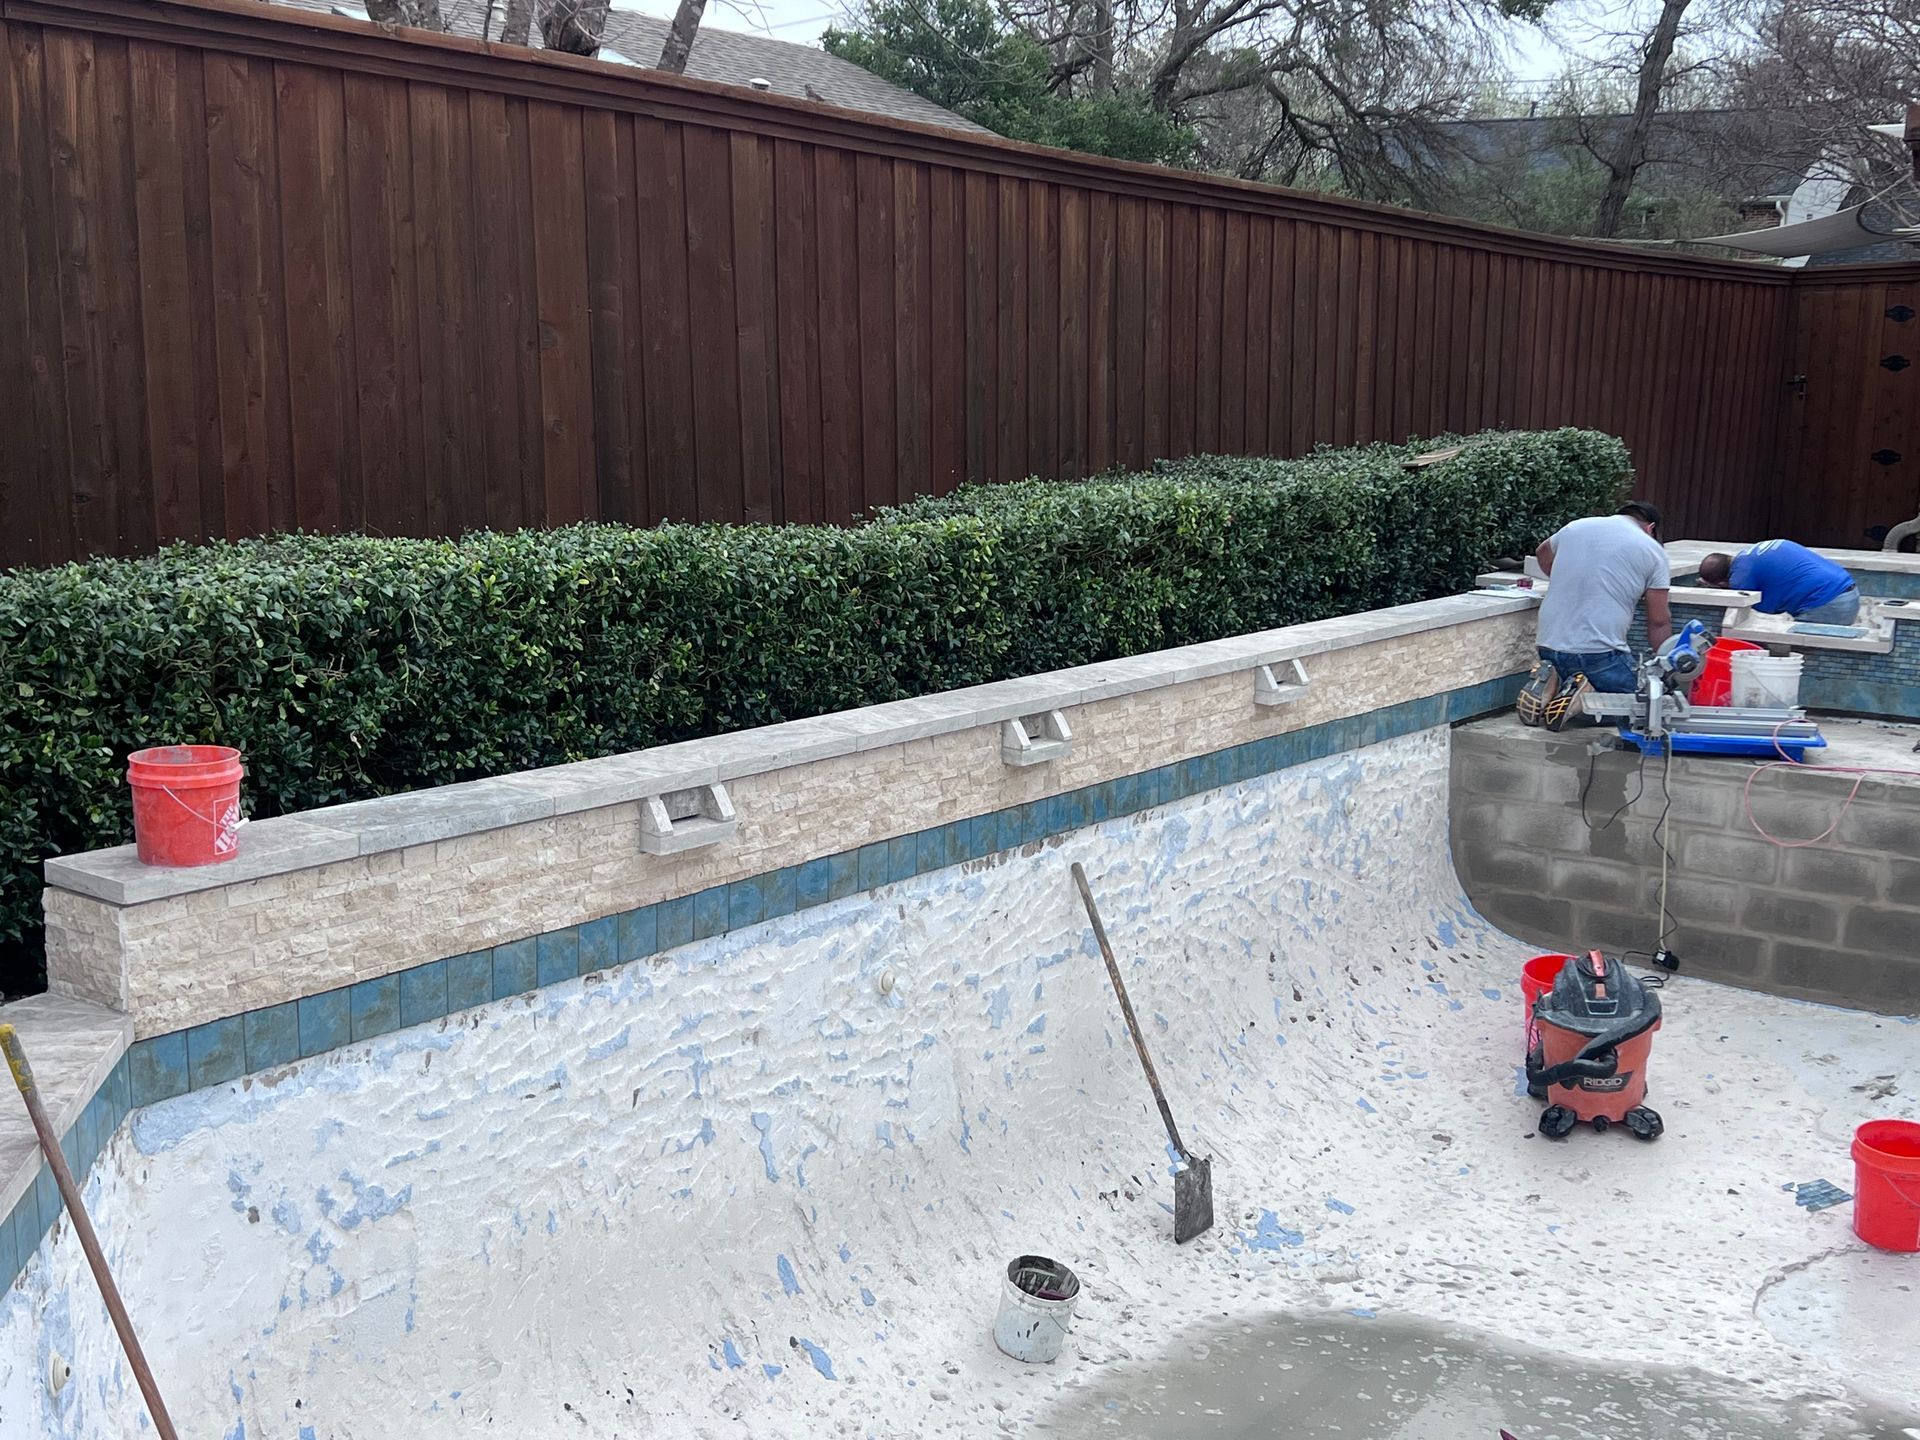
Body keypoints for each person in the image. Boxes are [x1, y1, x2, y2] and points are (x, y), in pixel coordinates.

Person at [1516, 501, 1671, 729]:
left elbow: (1542, 552)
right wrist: (1666, 667)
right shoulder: (1652, 550)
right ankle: (1583, 701)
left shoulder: (1576, 527)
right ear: (1651, 528)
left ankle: (1550, 682)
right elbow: (1659, 621)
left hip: (1547, 649)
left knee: (1571, 673)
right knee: (1650, 706)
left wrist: (1563, 578)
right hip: (1598, 657)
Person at [1697, 541, 1860, 625]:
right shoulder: (1751, 553)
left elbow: (1764, 612)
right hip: (1848, 592)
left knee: (1796, 656)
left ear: (1722, 583)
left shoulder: (1741, 578)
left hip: (1828, 605)